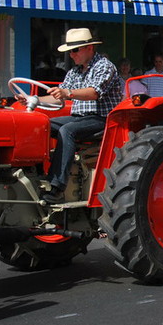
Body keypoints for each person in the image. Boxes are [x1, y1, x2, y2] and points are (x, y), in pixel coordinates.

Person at [27, 28, 123, 204]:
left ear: (89, 48)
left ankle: (57, 187)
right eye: (70, 51)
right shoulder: (74, 72)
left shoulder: (104, 66)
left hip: (103, 119)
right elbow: (59, 96)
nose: (71, 55)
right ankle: (36, 174)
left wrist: (67, 92)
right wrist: (34, 98)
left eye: (75, 50)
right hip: (80, 118)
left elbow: (94, 93)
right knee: (43, 124)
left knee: (67, 130)